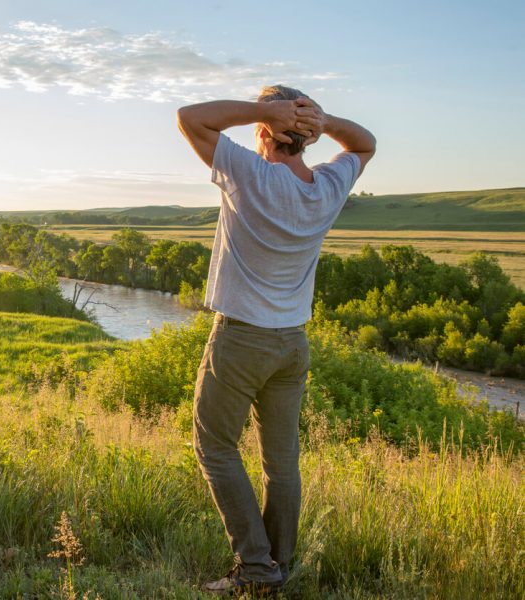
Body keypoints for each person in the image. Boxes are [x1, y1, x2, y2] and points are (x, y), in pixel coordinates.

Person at [176, 85, 376, 595]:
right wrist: (324, 121)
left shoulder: (249, 174)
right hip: (293, 345)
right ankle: (277, 566)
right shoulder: (328, 186)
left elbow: (190, 117)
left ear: (264, 131)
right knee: (280, 460)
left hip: (243, 340)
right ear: (305, 136)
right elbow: (365, 144)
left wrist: (263, 111)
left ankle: (257, 568)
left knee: (215, 447)